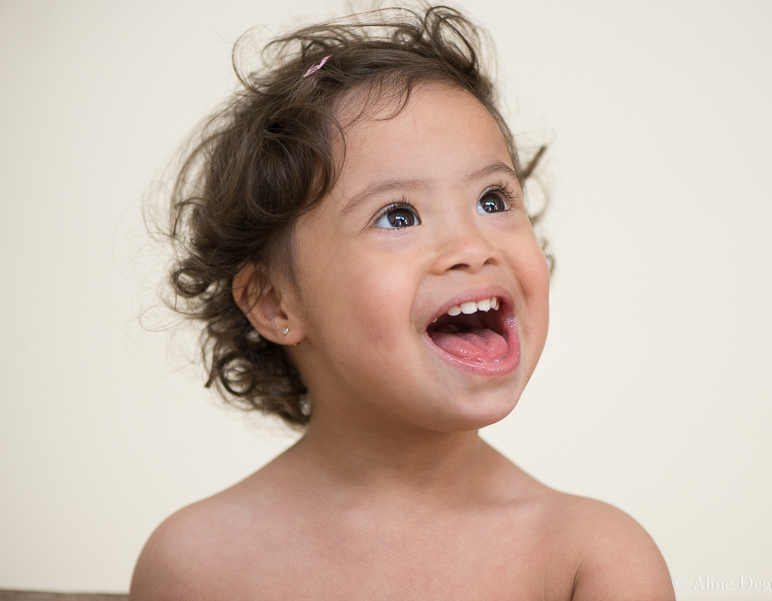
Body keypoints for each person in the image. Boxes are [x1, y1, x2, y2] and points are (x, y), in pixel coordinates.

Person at [130, 5, 675, 600]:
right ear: (274, 303)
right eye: (398, 215)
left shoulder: (589, 559)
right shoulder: (196, 565)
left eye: (494, 200)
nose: (472, 246)